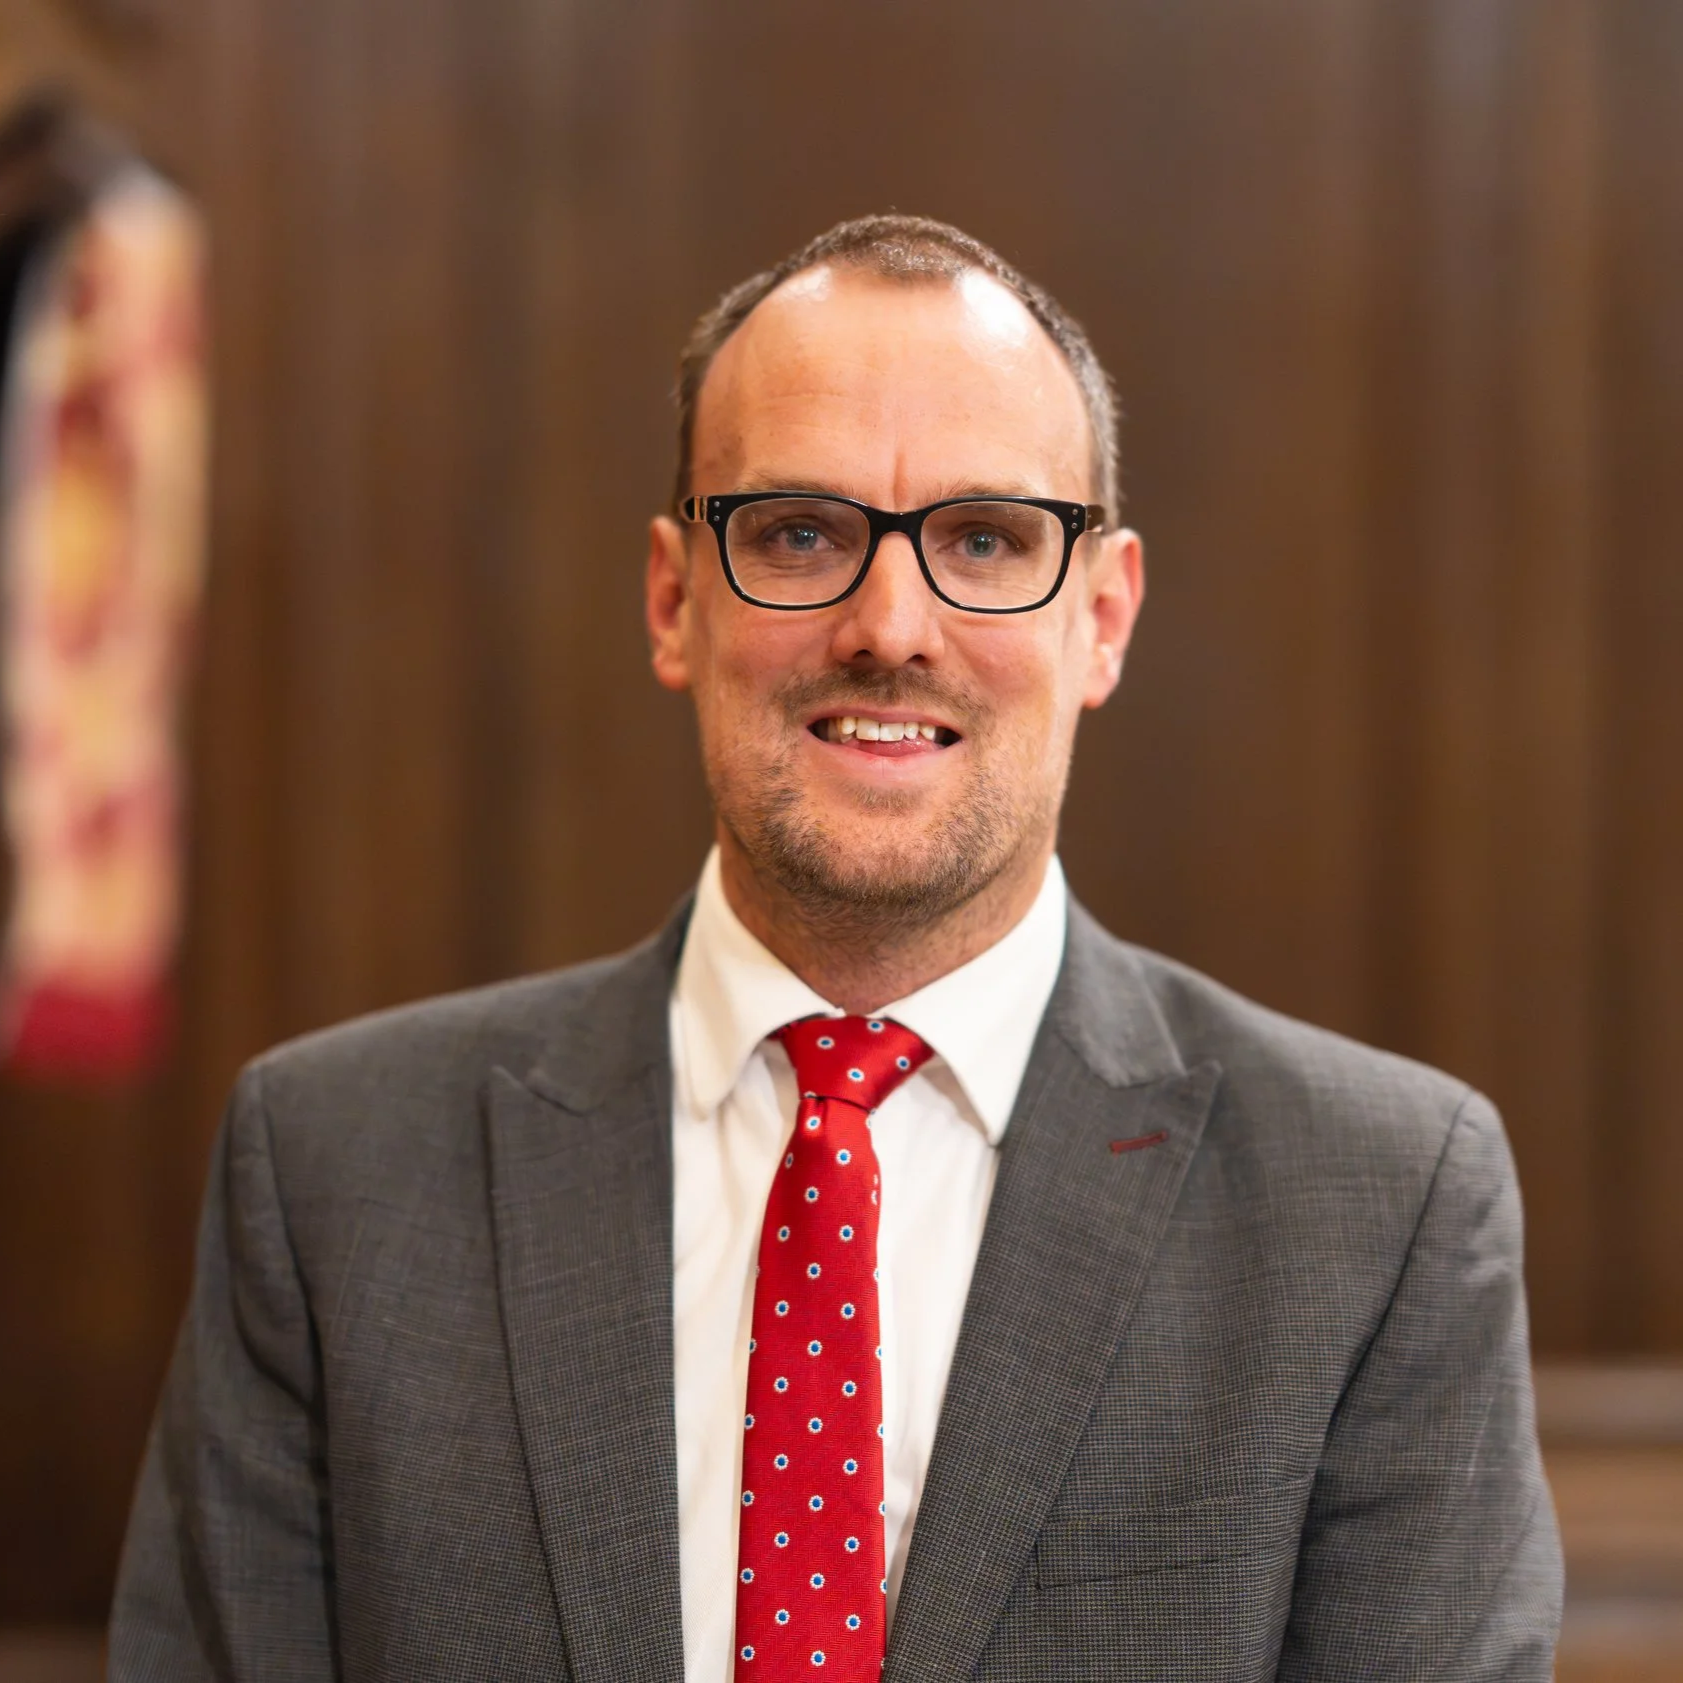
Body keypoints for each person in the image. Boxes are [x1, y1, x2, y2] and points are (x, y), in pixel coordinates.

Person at [109, 215, 1562, 1682]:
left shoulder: (1377, 1210)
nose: (889, 625)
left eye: (984, 540)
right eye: (799, 532)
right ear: (676, 597)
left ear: (1101, 618)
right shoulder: (333, 1176)